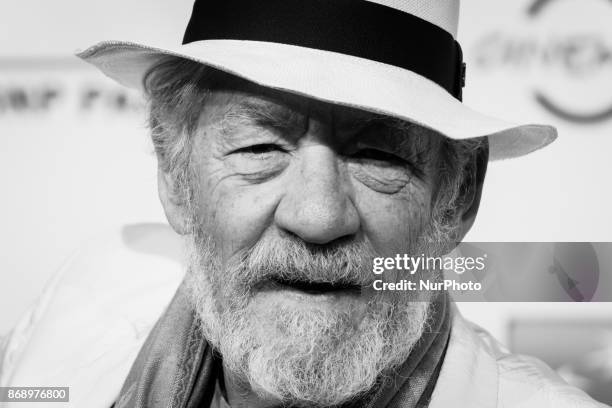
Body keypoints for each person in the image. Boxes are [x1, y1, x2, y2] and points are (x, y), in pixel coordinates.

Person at [0, 0, 606, 407]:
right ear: (175, 176)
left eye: (378, 156)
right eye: (260, 146)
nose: (317, 218)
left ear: (458, 195)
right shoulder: (83, 295)